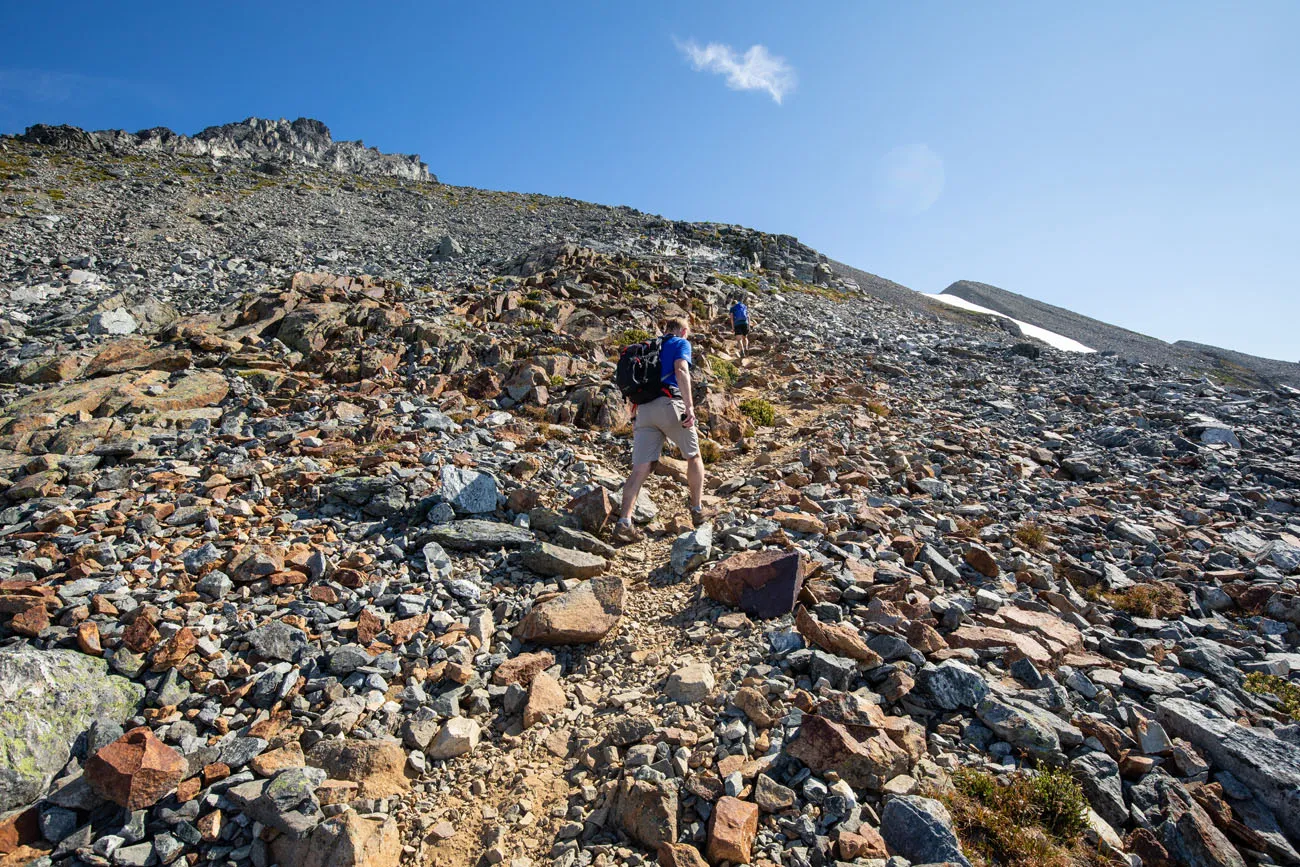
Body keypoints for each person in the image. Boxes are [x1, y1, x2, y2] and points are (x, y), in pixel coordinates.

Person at [613, 317, 705, 542]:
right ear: (683, 331)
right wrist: (689, 406)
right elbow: (681, 369)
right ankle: (698, 511)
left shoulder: (648, 347)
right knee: (693, 456)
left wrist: (634, 416)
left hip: (643, 410)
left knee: (639, 469)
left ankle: (624, 522)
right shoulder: (680, 343)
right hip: (669, 404)